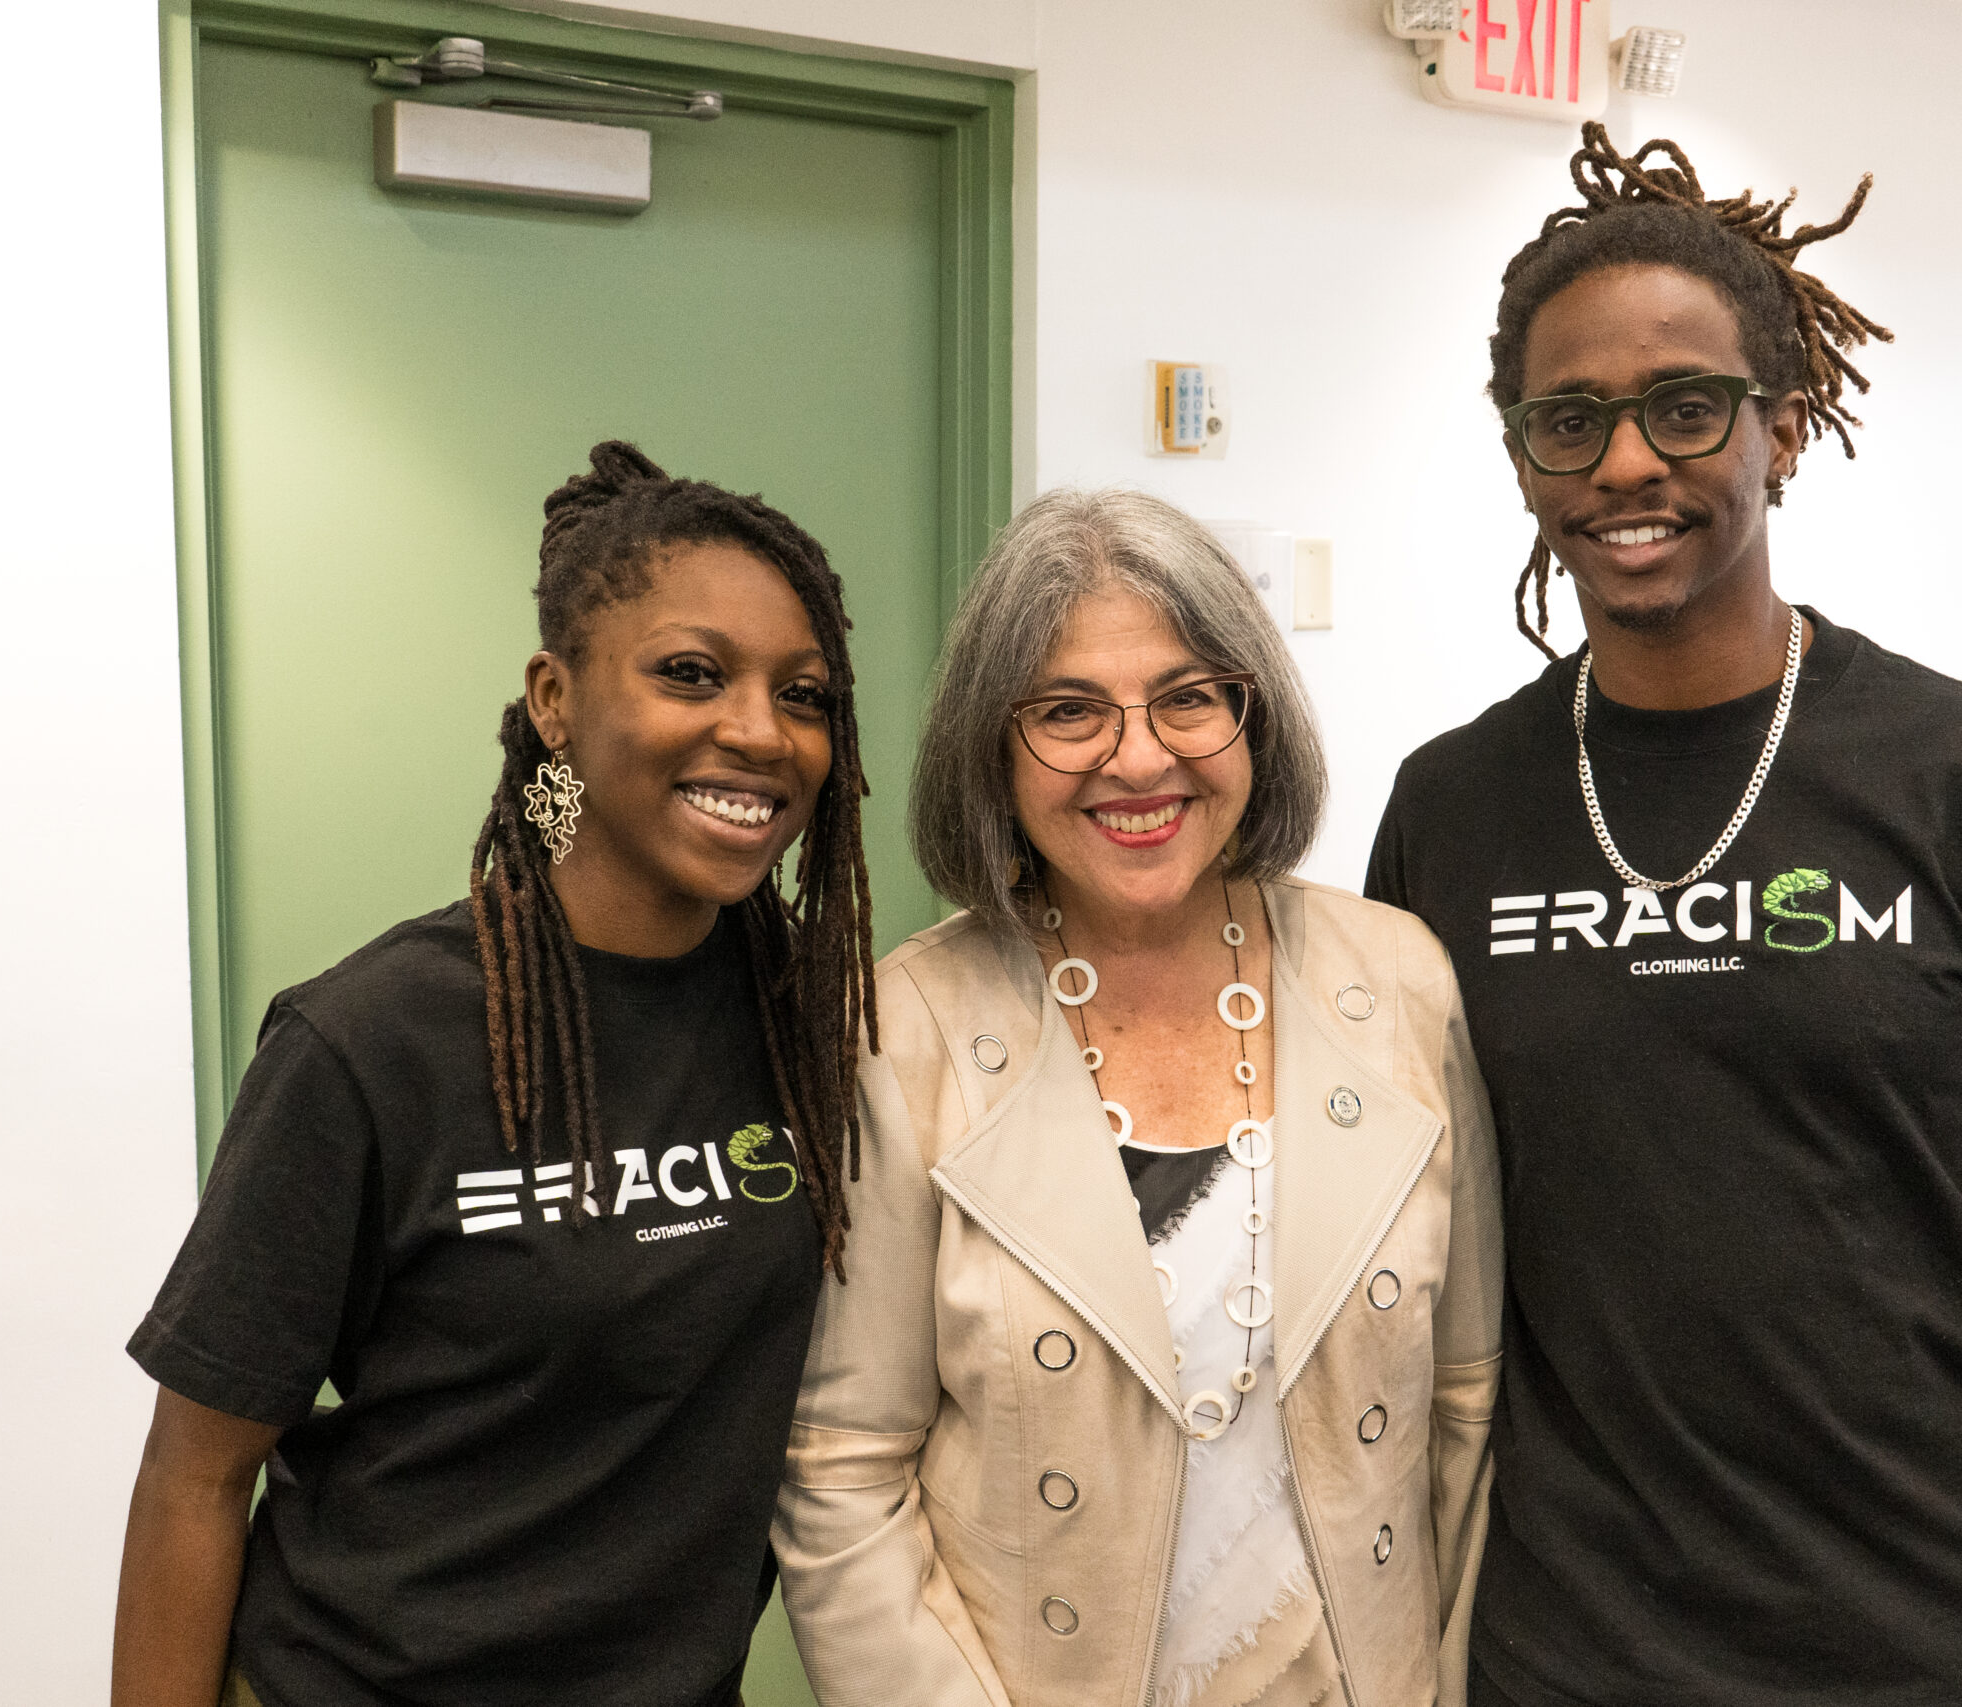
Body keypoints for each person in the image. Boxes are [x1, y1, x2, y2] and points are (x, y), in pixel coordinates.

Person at [1365, 126, 1962, 1707]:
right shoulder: (1451, 806)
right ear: (1523, 457)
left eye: (1686, 406)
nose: (1627, 463)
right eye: (1570, 421)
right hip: (1564, 1648)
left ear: (1786, 426)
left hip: (1926, 1632)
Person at [109, 442, 876, 1707]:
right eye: (691, 673)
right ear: (554, 700)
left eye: (804, 695)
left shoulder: (817, 1023)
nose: (760, 731)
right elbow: (195, 1473)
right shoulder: (371, 1041)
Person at [773, 488, 1503, 1707]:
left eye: (1188, 697)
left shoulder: (1397, 982)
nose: (1140, 757)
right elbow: (844, 1469)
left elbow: (1469, 1415)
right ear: (992, 750)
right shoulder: (906, 1029)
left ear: (1252, 715)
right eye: (1067, 711)